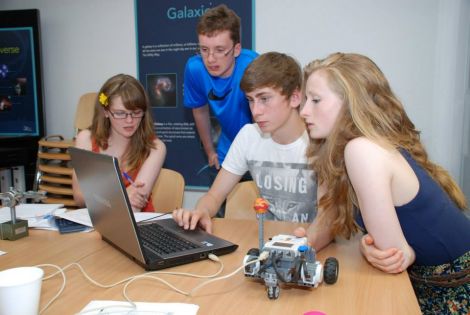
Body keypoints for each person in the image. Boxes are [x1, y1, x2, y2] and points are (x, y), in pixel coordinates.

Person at [296, 52, 470, 314]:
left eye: (316, 100)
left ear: (349, 104)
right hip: (429, 282)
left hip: (453, 289)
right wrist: (299, 245)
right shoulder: (341, 152)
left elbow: (393, 254)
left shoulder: (362, 150)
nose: (304, 111)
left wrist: (380, 250)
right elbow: (327, 222)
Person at [173, 52, 317, 233]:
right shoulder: (249, 136)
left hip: (315, 244)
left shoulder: (318, 140)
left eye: (264, 99)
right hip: (270, 241)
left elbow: (331, 219)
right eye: (250, 100)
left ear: (295, 98)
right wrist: (201, 212)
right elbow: (214, 196)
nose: (256, 111)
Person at [72, 74, 166, 212]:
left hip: (137, 225)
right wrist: (124, 195)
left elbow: (134, 207)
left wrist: (102, 197)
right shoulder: (85, 139)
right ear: (105, 111)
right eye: (120, 113)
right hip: (97, 224)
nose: (129, 121)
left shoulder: (156, 147)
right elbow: (80, 197)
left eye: (136, 112)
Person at [184, 4, 258, 172]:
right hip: (228, 149)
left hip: (258, 148)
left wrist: (259, 154)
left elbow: (264, 112)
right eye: (204, 49)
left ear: (236, 49)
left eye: (219, 50)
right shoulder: (194, 68)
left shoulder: (252, 65)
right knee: (219, 197)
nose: (210, 59)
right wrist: (210, 151)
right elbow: (200, 110)